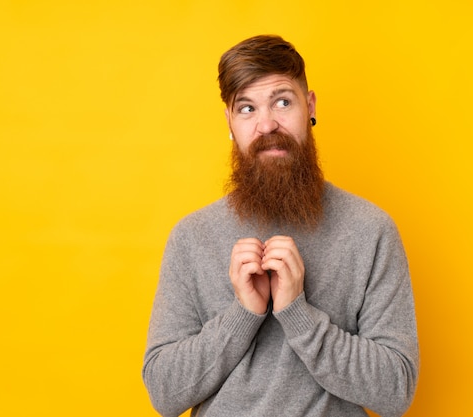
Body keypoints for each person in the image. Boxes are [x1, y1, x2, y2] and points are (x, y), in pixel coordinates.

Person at [142, 35, 419, 417]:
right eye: (247, 109)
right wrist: (242, 313)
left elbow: (395, 391)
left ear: (311, 106)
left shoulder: (371, 231)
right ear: (229, 122)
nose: (266, 123)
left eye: (283, 102)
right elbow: (163, 392)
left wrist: (296, 312)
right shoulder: (192, 238)